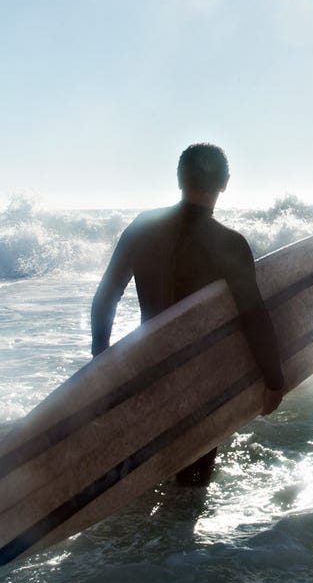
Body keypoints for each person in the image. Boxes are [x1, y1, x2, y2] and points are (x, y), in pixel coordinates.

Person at [91, 143, 285, 487]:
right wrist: (273, 381)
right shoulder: (229, 243)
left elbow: (106, 296)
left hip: (148, 371)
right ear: (225, 184)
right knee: (190, 489)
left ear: (179, 178)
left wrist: (101, 359)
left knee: (145, 475)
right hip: (201, 383)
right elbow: (253, 317)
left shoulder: (142, 227)